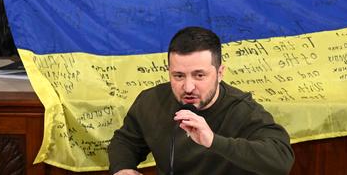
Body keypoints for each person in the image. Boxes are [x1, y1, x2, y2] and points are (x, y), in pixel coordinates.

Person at [107, 26, 294, 175]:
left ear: (220, 73)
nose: (188, 87)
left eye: (199, 75)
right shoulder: (151, 101)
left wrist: (213, 141)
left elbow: (281, 160)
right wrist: (123, 168)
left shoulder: (243, 110)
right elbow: (125, 141)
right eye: (179, 76)